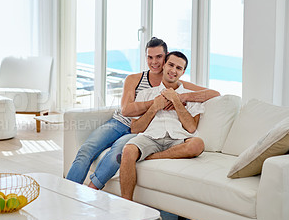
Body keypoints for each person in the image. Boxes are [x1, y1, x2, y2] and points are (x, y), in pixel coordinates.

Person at [66, 37, 219, 190]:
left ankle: (91, 191)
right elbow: (126, 110)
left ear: (165, 58)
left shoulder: (175, 82)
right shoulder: (134, 79)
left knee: (116, 154)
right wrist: (156, 102)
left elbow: (214, 93)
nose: (154, 62)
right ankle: (68, 191)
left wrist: (181, 97)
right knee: (86, 150)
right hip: (119, 123)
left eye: (159, 57)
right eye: (150, 57)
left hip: (142, 129)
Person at [119, 51, 205, 200]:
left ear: (183, 72)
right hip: (150, 138)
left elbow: (191, 128)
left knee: (197, 144)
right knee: (127, 150)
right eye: (171, 65)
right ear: (164, 65)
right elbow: (135, 128)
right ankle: (127, 208)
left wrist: (176, 101)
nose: (173, 70)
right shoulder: (146, 94)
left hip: (178, 140)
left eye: (178, 68)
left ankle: (151, 157)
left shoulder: (189, 96)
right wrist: (154, 107)